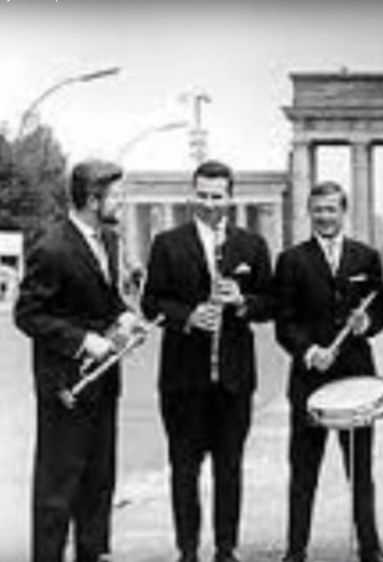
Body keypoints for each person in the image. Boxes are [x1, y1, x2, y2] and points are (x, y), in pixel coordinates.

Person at [142, 160, 274, 562]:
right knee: (184, 469)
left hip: (234, 379)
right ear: (192, 194)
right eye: (202, 195)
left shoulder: (251, 245)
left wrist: (242, 301)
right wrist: (189, 316)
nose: (209, 204)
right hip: (183, 380)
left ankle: (225, 549)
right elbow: (151, 303)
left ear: (230, 197)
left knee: (229, 468)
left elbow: (271, 303)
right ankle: (187, 551)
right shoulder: (167, 243)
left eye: (217, 196)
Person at [14, 159, 137, 562]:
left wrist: (123, 317)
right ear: (92, 199)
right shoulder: (51, 248)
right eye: (115, 195)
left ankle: (92, 555)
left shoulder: (110, 240)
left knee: (99, 483)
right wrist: (84, 342)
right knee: (57, 489)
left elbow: (104, 299)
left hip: (103, 383)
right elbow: (28, 315)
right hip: (65, 386)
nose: (121, 202)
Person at [275, 181, 383, 562]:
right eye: (318, 210)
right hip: (309, 382)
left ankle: (370, 548)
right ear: (309, 212)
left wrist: (366, 323)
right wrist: (309, 352)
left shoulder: (367, 257)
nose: (324, 216)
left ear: (343, 211)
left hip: (357, 381)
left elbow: (380, 314)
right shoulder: (291, 260)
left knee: (361, 471)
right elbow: (284, 323)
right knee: (303, 473)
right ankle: (295, 551)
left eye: (331, 209)